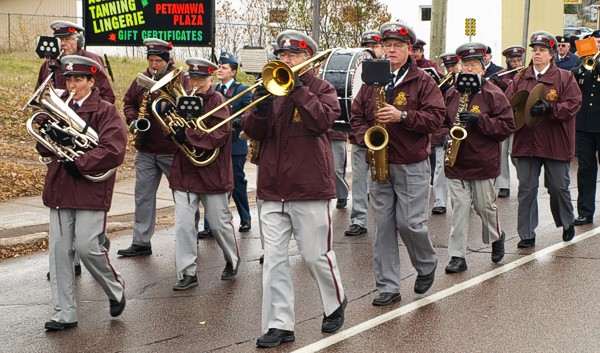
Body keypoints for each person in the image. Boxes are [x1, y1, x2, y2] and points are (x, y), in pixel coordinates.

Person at [241, 30, 346, 348]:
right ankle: (280, 324)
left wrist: (298, 90)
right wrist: (258, 107)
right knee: (273, 259)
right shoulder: (270, 89)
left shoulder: (322, 88)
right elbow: (251, 130)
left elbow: (321, 123)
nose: (286, 61)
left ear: (308, 58)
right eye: (282, 56)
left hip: (311, 186)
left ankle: (335, 302)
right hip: (273, 188)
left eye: (294, 56)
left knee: (316, 256)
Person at [351, 21, 444, 306]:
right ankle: (388, 287)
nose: (391, 50)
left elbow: (437, 118)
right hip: (379, 161)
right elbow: (356, 116)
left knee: (410, 223)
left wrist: (403, 116)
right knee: (382, 227)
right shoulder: (371, 80)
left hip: (411, 163)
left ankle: (426, 263)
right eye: (386, 45)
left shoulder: (424, 81)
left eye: (398, 46)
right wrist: (365, 138)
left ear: (409, 50)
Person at [36, 55, 127, 330]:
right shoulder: (59, 107)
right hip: (61, 186)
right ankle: (64, 313)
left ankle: (115, 288)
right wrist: (51, 136)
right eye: (69, 79)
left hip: (90, 186)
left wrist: (81, 161)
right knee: (59, 252)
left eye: (78, 79)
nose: (72, 84)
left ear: (91, 81)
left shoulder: (106, 111)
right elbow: (42, 147)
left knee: (88, 247)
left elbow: (114, 149)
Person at [504, 31, 582, 248]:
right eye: (535, 50)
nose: (537, 54)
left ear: (551, 54)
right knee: (526, 189)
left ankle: (567, 222)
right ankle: (527, 233)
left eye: (542, 50)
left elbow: (574, 104)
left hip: (555, 141)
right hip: (526, 142)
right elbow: (509, 105)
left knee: (558, 186)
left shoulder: (564, 78)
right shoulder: (520, 78)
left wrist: (551, 108)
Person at [169, 58, 240, 289]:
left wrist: (187, 135)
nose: (196, 83)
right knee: (183, 226)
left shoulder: (219, 102)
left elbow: (218, 136)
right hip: (185, 173)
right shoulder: (183, 99)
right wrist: (169, 124)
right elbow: (171, 132)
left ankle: (232, 259)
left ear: (211, 79)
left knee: (220, 225)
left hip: (212, 173)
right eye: (193, 79)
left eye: (201, 79)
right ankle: (187, 273)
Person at [443, 42, 514, 273]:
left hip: (483, 160)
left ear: (483, 67)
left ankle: (496, 237)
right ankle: (457, 256)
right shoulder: (452, 92)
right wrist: (444, 136)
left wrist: (480, 121)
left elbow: (506, 126)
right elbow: (441, 122)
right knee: (460, 208)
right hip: (456, 161)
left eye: (475, 64)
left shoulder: (494, 93)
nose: (470, 69)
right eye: (466, 65)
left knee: (485, 207)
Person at [117, 38, 190, 257]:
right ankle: (141, 242)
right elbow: (128, 102)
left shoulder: (181, 79)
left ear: (168, 60)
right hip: (147, 149)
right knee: (143, 196)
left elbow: (189, 105)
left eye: (158, 60)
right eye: (150, 60)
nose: (154, 65)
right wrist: (132, 120)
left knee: (184, 196)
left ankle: (189, 237)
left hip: (173, 149)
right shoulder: (141, 79)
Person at [197, 51, 253, 238]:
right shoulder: (212, 91)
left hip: (235, 144)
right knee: (211, 184)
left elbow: (246, 114)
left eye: (224, 67)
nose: (219, 70)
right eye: (219, 67)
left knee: (237, 183)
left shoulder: (242, 90)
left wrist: (230, 123)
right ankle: (209, 225)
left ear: (233, 72)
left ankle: (245, 218)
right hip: (215, 144)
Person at [344, 29, 383, 236]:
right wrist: (362, 135)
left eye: (376, 46)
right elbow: (353, 106)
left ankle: (385, 221)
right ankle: (358, 220)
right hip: (361, 137)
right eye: (367, 45)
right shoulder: (357, 69)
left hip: (386, 141)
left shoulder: (391, 73)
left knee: (381, 182)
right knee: (359, 180)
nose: (371, 50)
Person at [36, 20, 115, 104]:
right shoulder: (48, 64)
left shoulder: (91, 60)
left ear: (79, 41)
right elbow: (38, 96)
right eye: (59, 39)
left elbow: (107, 97)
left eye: (67, 39)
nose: (62, 43)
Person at [571, 29, 600, 226]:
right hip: (584, 125)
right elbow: (570, 78)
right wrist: (583, 66)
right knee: (586, 169)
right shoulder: (582, 61)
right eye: (596, 42)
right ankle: (585, 211)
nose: (598, 46)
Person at [493, 45, 526, 198]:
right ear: (508, 62)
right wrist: (494, 82)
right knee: (501, 153)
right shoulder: (500, 75)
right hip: (503, 117)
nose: (517, 64)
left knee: (515, 153)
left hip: (519, 118)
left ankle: (523, 180)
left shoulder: (526, 75)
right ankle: (503, 185)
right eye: (513, 61)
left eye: (519, 60)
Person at [429, 52, 459, 215]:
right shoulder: (440, 85)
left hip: (465, 133)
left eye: (453, 66)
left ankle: (469, 200)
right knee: (440, 168)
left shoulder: (469, 83)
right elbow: (438, 113)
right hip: (444, 134)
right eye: (447, 67)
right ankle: (440, 201)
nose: (450, 70)